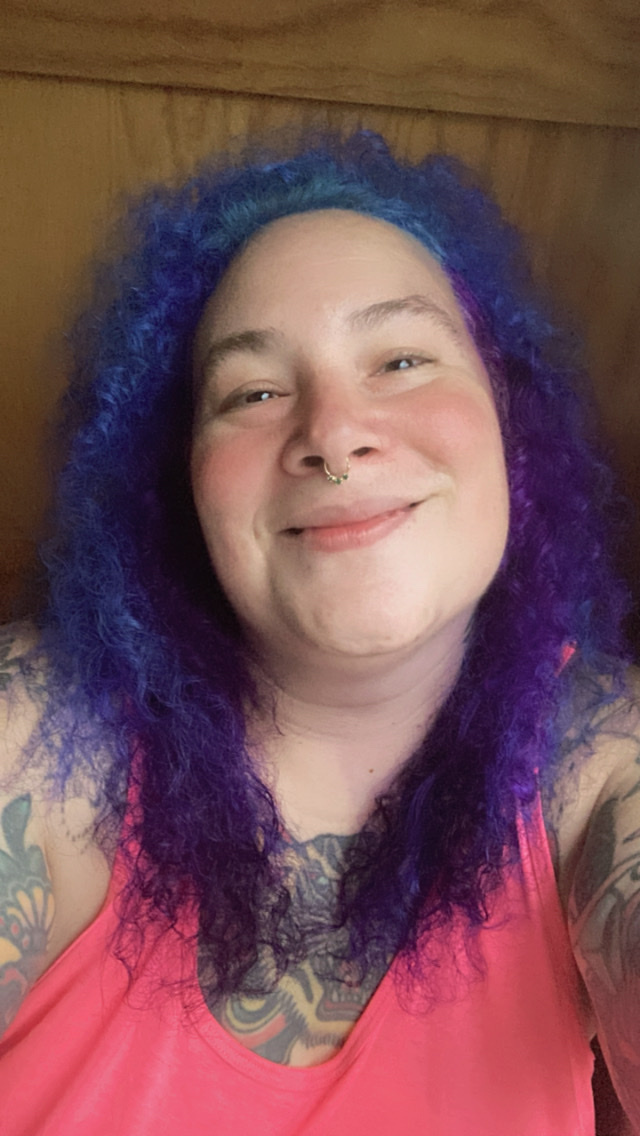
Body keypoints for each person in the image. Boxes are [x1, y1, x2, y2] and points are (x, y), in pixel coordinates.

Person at [0, 130, 638, 1135]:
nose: (333, 434)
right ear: (180, 483)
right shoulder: (43, 730)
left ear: (511, 428)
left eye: (401, 359)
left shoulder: (599, 754)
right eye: (253, 392)